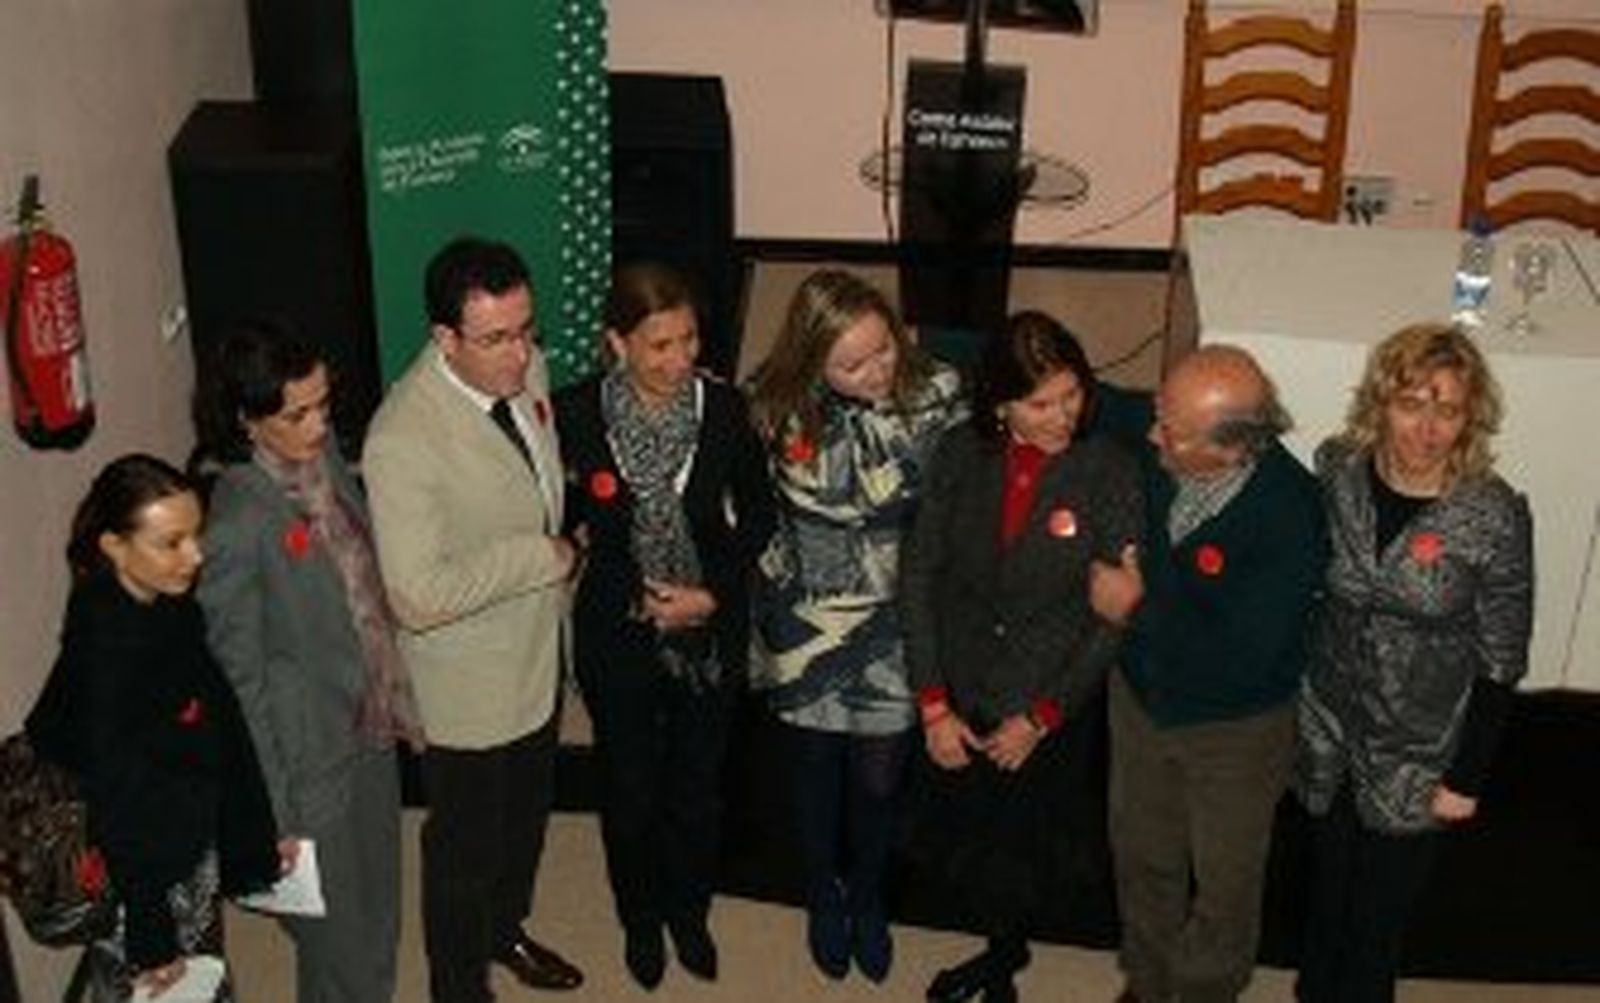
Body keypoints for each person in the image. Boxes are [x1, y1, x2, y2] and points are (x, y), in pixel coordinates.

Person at [362, 237, 582, 1003]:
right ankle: (459, 986)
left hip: (538, 657)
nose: (521, 357)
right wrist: (543, 555)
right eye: (496, 339)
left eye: (528, 330)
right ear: (443, 339)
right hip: (470, 693)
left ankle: (506, 930)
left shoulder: (529, 368)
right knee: (462, 852)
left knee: (524, 825)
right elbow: (416, 595)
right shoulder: (401, 439)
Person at [902, 311, 1141, 1003]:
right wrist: (933, 702)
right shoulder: (957, 452)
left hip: (1049, 698)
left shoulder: (1110, 469)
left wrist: (1041, 716)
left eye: (1072, 395)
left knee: (1028, 845)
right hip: (962, 685)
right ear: (1001, 404)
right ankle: (997, 946)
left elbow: (1111, 620)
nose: (1063, 415)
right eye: (1041, 403)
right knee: (969, 839)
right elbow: (919, 575)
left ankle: (1004, 958)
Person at [1293, 323, 1532, 1003]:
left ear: (1470, 417)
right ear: (1379, 402)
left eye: (1448, 409)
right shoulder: (1336, 467)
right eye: (1411, 403)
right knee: (1324, 906)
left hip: (1420, 751)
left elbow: (1502, 658)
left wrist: (1467, 777)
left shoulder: (1492, 515)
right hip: (1326, 730)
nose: (1428, 427)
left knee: (1376, 927)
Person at [553, 263, 774, 988]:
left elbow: (761, 517)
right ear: (618, 343)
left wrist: (708, 593)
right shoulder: (575, 413)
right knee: (630, 788)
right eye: (659, 345)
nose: (680, 360)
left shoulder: (727, 409)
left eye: (689, 339)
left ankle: (689, 912)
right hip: (617, 629)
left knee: (697, 788)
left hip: (707, 627)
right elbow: (558, 515)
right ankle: (640, 917)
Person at [1088, 344, 1327, 1003]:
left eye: (1171, 430)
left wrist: (1133, 609)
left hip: (1235, 730)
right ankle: (1147, 979)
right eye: (1162, 411)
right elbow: (1099, 399)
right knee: (1142, 858)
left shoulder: (1291, 515)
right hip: (1141, 705)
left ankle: (1201, 992)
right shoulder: (1168, 432)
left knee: (1224, 884)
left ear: (1232, 447)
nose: (1151, 433)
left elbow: (1242, 653)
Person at [193, 323, 423, 1003]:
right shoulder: (239, 520)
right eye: (298, 413)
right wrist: (274, 810)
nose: (320, 424)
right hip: (306, 765)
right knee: (337, 946)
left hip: (368, 723)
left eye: (324, 403)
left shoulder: (320, 468)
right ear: (247, 420)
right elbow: (240, 681)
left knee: (380, 915)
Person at [746, 269, 964, 982]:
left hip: (899, 618)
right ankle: (821, 892)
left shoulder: (939, 392)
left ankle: (867, 894)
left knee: (877, 779)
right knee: (811, 772)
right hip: (805, 619)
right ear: (812, 362)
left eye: (883, 349)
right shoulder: (770, 405)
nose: (875, 371)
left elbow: (961, 496)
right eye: (852, 362)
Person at [25, 454, 282, 1001]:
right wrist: (151, 936)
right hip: (140, 874)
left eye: (196, 534)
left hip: (181, 840)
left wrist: (253, 840)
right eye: (170, 543)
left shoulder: (169, 610)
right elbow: (121, 798)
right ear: (114, 546)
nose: (194, 555)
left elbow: (219, 727)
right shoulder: (108, 651)